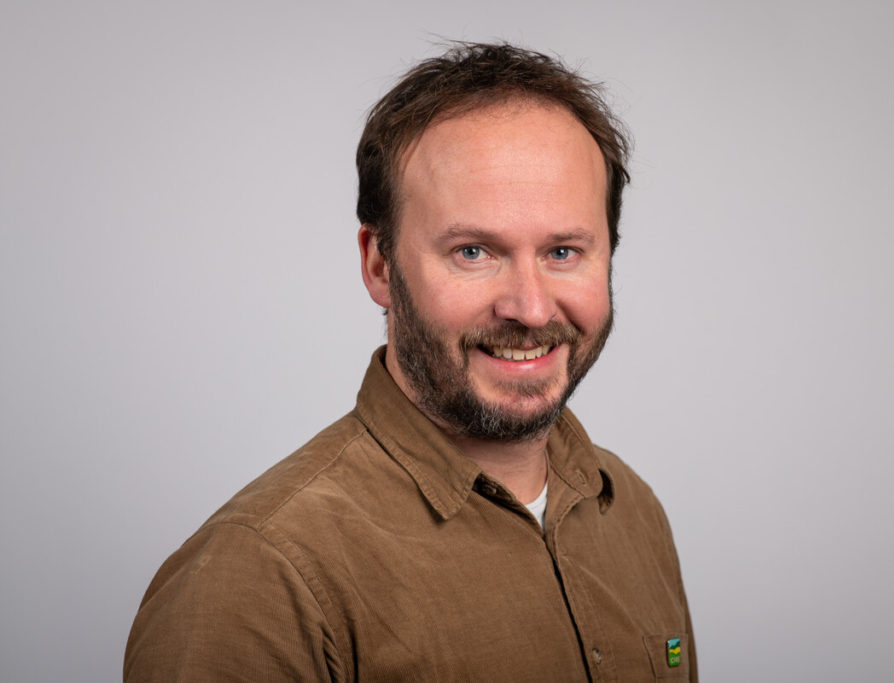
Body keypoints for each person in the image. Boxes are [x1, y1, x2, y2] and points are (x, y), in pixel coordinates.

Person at [125, 42, 697, 681]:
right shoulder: (257, 580)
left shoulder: (633, 513)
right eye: (474, 252)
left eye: (564, 251)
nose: (532, 309)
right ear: (379, 264)